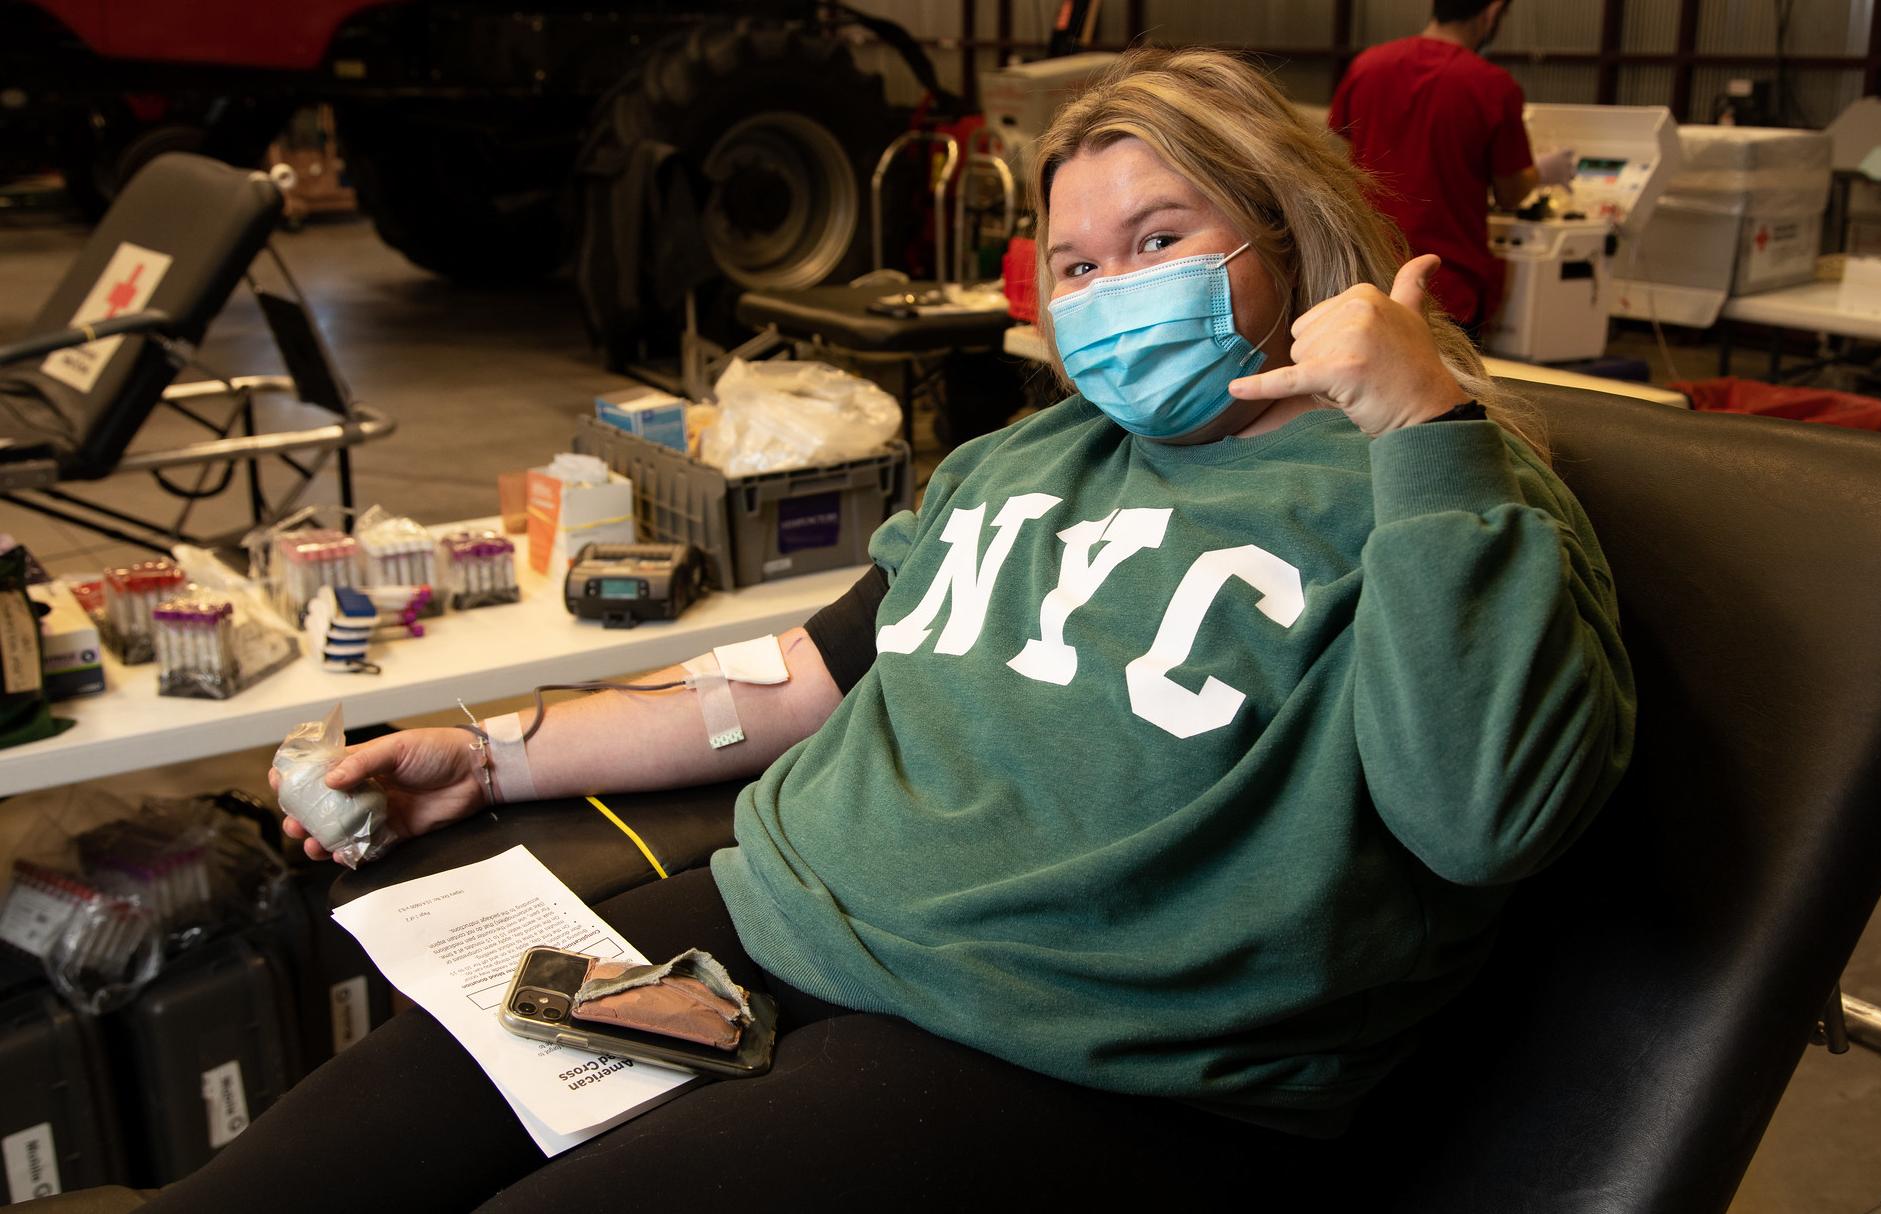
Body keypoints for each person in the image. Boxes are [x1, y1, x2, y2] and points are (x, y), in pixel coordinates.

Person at [130, 46, 1634, 1212]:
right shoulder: (1021, 461)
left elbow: (1480, 820)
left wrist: (1421, 417)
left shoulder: (1435, 489)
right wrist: (490, 751)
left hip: (1075, 1049)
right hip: (781, 920)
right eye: (1084, 262)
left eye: (1161, 234)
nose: (1115, 293)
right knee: (288, 1175)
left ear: (1288, 236)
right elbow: (791, 675)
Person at [1329, 0, 1578, 343]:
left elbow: (1341, 154)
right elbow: (1510, 194)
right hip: (1446, 283)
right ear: (1491, 12)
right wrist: (1541, 172)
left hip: (1366, 269)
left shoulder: (1367, 65)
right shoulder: (1492, 85)